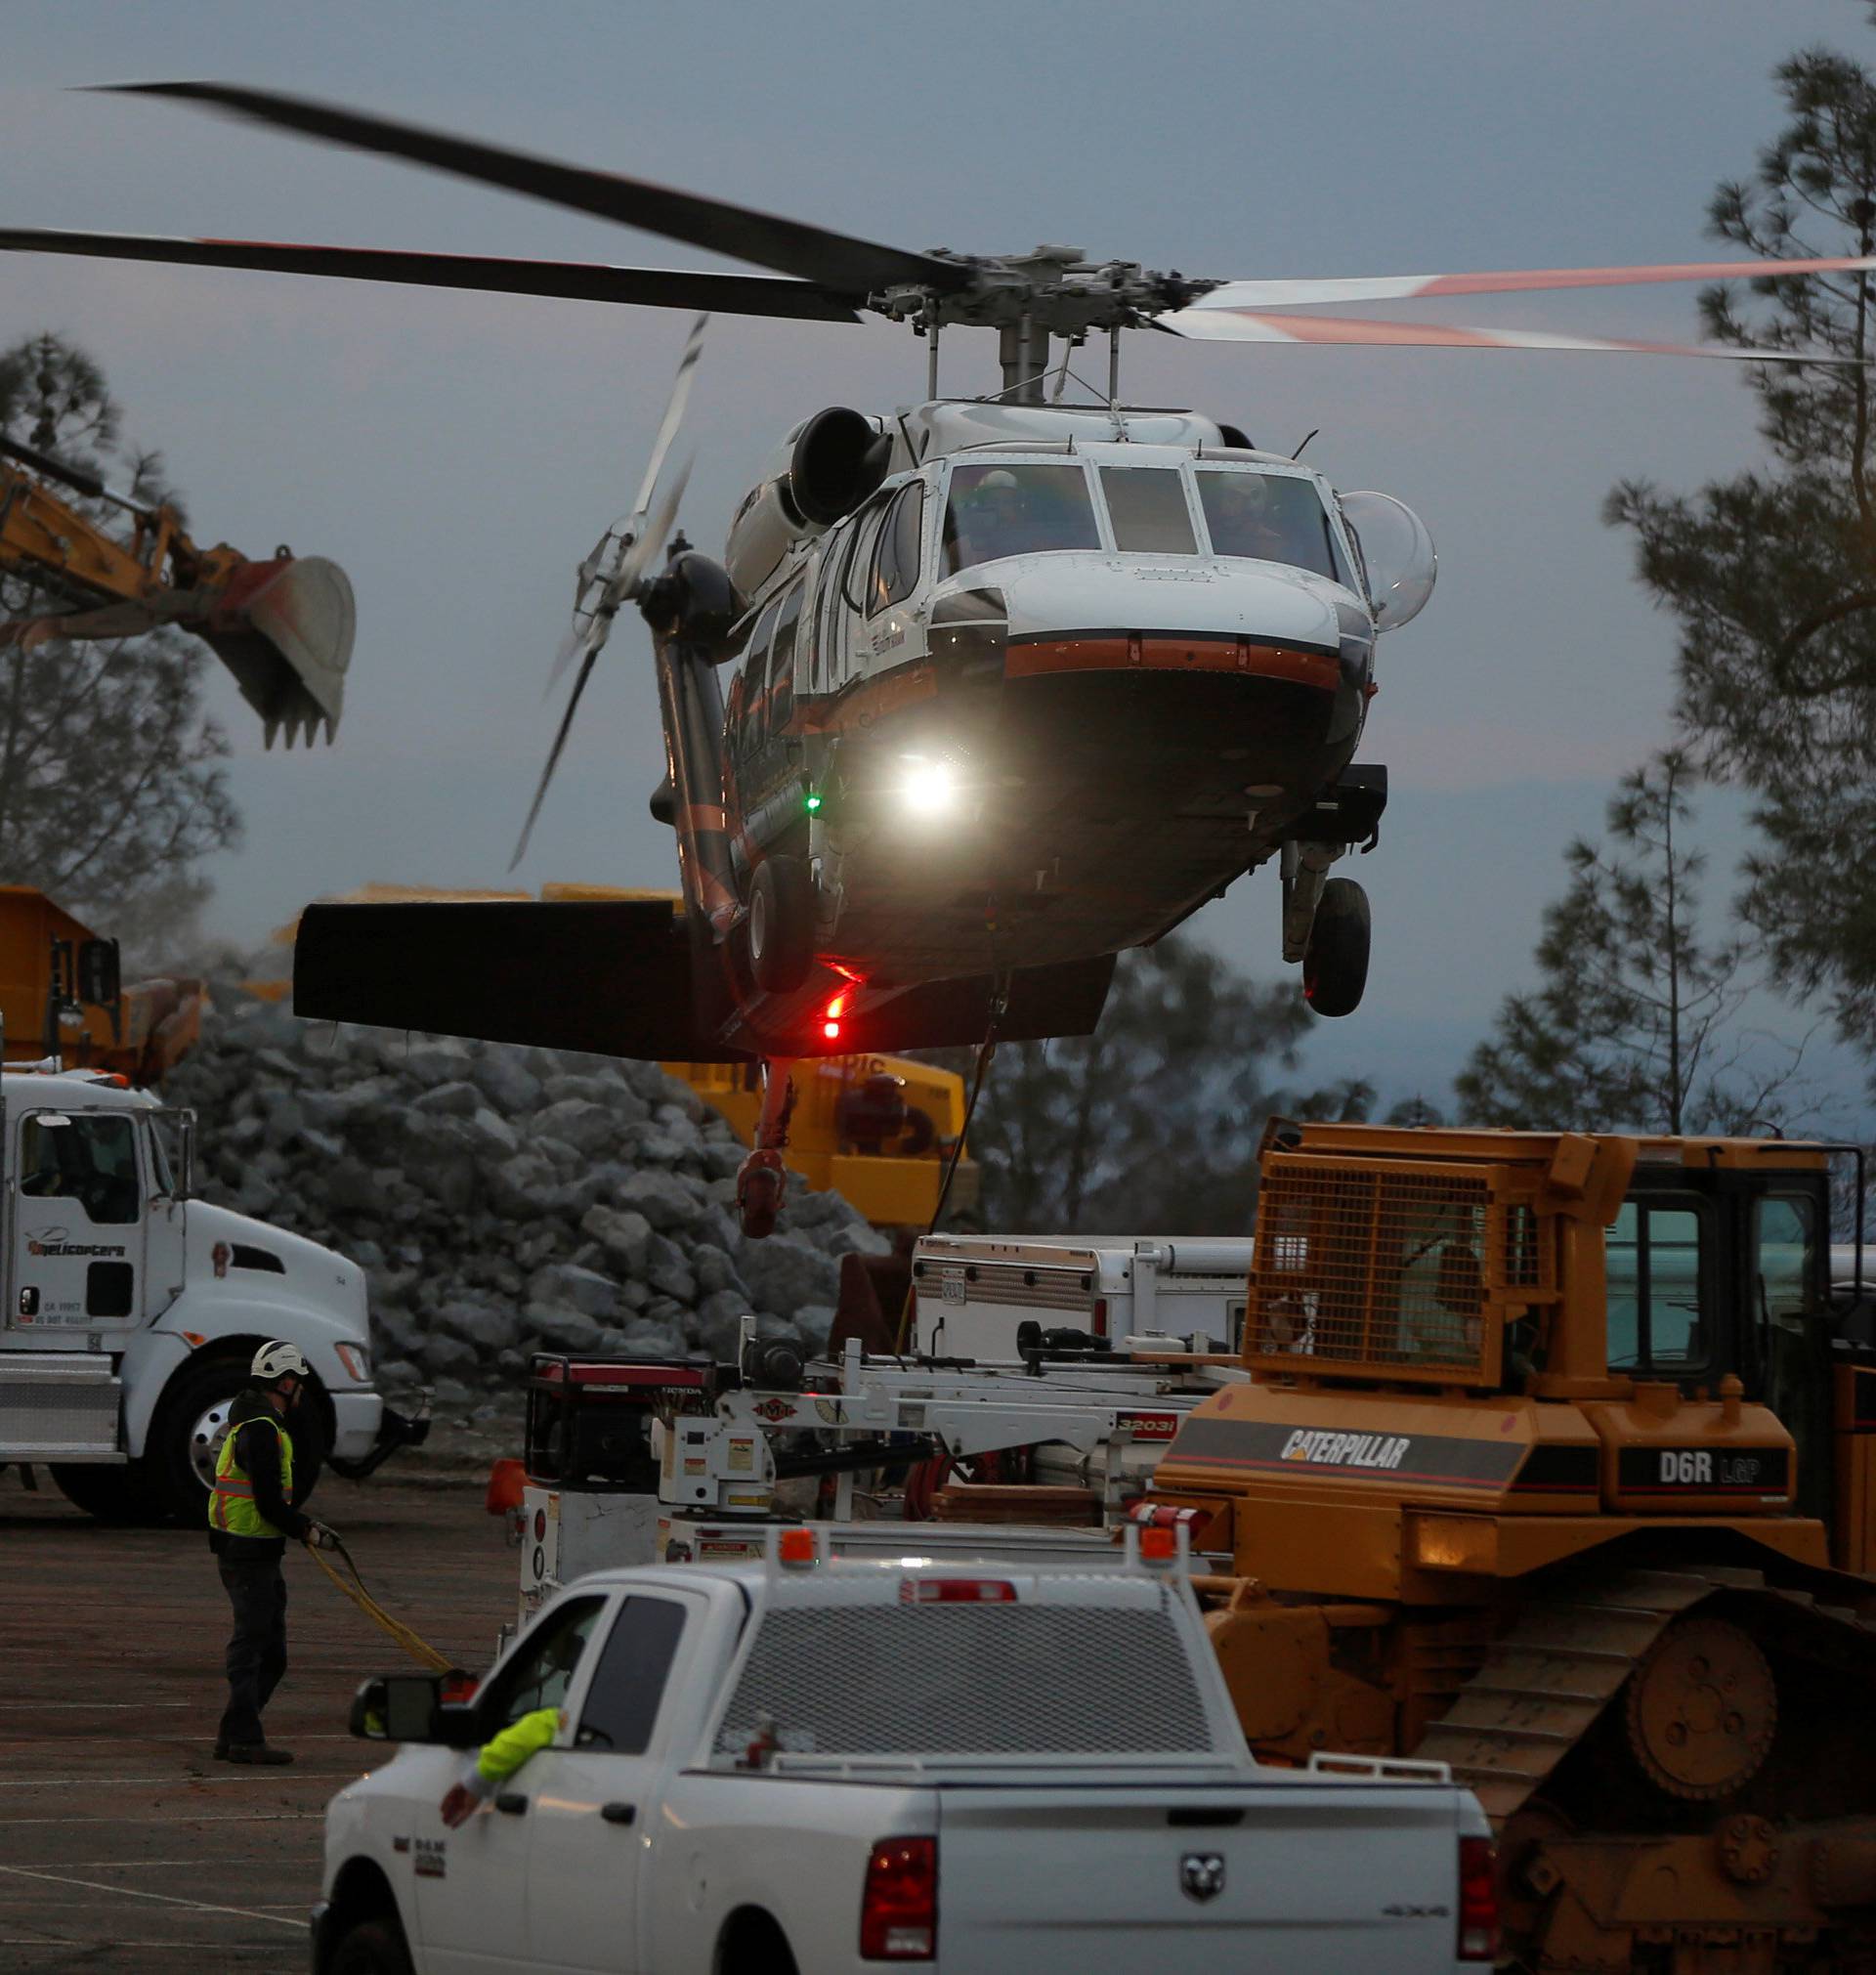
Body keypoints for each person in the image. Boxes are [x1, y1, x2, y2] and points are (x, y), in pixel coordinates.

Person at [206, 1340, 340, 1764]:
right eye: (298, 1383)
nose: (301, 1392)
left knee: (272, 1653)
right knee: (254, 1646)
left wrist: (303, 1526)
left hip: (255, 1550)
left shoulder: (259, 1423)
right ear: (285, 1382)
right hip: (247, 1551)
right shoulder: (261, 1430)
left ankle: (234, 1735)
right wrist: (306, 1529)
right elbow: (267, 1503)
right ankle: (244, 1738)